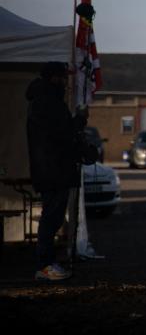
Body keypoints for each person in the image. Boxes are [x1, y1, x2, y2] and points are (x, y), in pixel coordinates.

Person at [26, 62, 87, 281]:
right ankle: (44, 265)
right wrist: (79, 120)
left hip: (52, 168)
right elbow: (62, 134)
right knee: (51, 217)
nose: (67, 83)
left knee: (53, 217)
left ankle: (47, 262)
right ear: (54, 78)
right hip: (52, 169)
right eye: (64, 78)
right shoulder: (47, 103)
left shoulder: (45, 101)